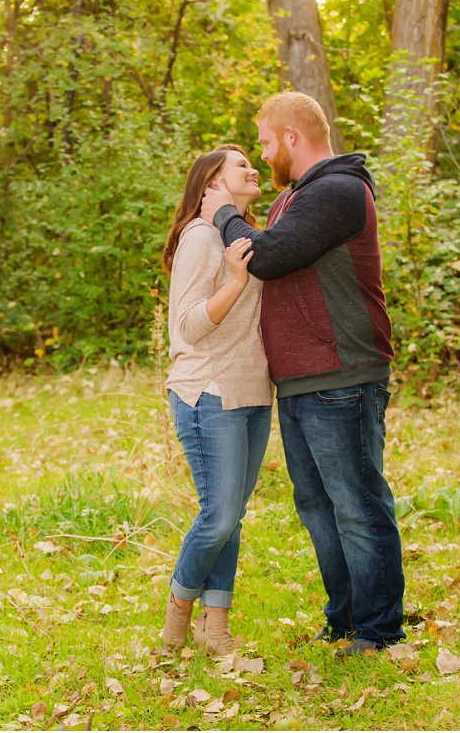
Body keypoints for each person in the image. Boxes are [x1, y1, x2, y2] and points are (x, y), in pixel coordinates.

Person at [200, 92, 405, 655]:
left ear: (291, 137)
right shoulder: (294, 199)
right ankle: (345, 618)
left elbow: (263, 256)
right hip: (299, 378)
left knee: (357, 503)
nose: (264, 154)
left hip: (340, 372)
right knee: (317, 506)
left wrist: (219, 211)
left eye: (265, 142)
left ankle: (380, 630)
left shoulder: (338, 190)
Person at [160, 144, 272, 656]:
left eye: (253, 160)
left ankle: (216, 627)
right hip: (207, 390)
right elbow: (188, 326)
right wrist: (237, 280)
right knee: (220, 515)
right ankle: (179, 612)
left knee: (232, 515)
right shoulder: (202, 238)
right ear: (212, 187)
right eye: (240, 165)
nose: (253, 169)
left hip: (252, 390)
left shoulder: (244, 235)